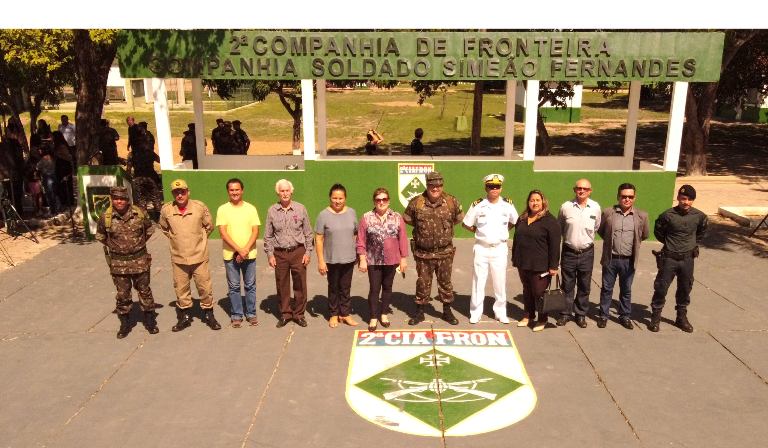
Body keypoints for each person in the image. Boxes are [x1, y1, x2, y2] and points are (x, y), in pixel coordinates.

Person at [159, 179, 222, 332]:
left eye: (182, 192)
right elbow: (164, 228)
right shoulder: (167, 210)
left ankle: (209, 315)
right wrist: (177, 240)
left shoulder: (199, 207)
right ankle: (185, 317)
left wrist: (198, 241)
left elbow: (209, 226)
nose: (180, 195)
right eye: (176, 192)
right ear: (173, 194)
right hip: (179, 257)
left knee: (205, 287)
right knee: (181, 289)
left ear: (188, 192)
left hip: (199, 256)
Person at [95, 186, 158, 339]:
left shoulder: (139, 214)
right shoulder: (106, 217)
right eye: (116, 198)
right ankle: (125, 323)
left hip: (140, 260)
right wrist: (118, 248)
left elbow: (149, 230)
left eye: (122, 198)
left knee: (144, 291)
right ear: (112, 199)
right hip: (119, 264)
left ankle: (150, 321)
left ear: (127, 199)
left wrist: (137, 246)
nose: (119, 201)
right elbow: (101, 236)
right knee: (123, 295)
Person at [403, 171, 464, 326]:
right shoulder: (416, 202)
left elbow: (457, 218)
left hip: (445, 253)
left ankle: (447, 312)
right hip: (424, 253)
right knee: (423, 283)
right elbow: (408, 219)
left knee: (445, 283)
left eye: (438, 185)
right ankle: (420, 312)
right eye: (432, 185)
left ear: (442, 185)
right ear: (427, 185)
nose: (435, 188)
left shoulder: (451, 201)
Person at [648, 184, 708, 333]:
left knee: (685, 288)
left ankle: (681, 318)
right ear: (678, 198)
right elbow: (659, 232)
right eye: (682, 199)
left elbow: (701, 233)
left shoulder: (699, 216)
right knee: (661, 288)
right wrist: (670, 244)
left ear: (693, 200)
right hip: (669, 258)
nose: (685, 202)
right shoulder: (667, 215)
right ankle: (655, 317)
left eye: (689, 199)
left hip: (688, 259)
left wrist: (690, 244)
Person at [462, 174, 518, 324]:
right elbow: (466, 223)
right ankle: (475, 312)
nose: (494, 189)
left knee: (500, 282)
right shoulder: (478, 205)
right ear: (486, 187)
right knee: (478, 281)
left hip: (499, 248)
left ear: (501, 188)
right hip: (481, 248)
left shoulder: (508, 204)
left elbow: (514, 221)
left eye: (497, 186)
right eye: (491, 186)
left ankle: (500, 312)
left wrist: (504, 231)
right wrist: (479, 232)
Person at [596, 183, 650, 329]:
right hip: (611, 259)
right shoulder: (608, 213)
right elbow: (601, 231)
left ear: (634, 197)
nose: (627, 199)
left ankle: (625, 316)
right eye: (624, 196)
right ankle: (603, 315)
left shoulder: (641, 216)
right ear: (618, 197)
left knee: (626, 290)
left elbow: (643, 235)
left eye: (630, 197)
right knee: (607, 289)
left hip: (629, 260)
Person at [264, 179, 314, 328]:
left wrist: (308, 253)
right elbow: (268, 235)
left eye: (287, 190)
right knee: (282, 285)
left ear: (291, 191)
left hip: (298, 251)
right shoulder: (272, 210)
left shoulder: (300, 208)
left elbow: (308, 233)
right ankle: (285, 314)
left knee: (300, 284)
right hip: (280, 254)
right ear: (278, 193)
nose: (284, 193)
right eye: (282, 191)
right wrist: (270, 254)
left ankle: (299, 314)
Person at [358, 187, 408, 332]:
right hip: (373, 260)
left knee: (387, 288)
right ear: (374, 201)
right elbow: (361, 240)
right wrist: (362, 258)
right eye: (378, 199)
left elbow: (403, 239)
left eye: (384, 199)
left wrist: (403, 259)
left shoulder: (397, 217)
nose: (381, 202)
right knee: (374, 289)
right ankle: (373, 317)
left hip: (392, 260)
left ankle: (384, 314)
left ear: (389, 200)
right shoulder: (366, 217)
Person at [512, 190, 561, 332]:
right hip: (523, 262)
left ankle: (542, 319)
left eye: (537, 200)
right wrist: (515, 257)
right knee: (527, 290)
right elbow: (517, 239)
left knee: (539, 293)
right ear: (528, 202)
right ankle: (528, 315)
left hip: (541, 265)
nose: (535, 203)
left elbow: (555, 245)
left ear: (543, 202)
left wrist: (553, 266)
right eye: (532, 200)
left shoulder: (550, 221)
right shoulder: (522, 218)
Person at [216, 178, 261, 328]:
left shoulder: (251, 209)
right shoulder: (222, 209)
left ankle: (251, 313)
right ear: (228, 192)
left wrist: (245, 249)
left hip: (249, 254)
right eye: (231, 190)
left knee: (250, 285)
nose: (234, 192)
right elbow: (223, 233)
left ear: (242, 190)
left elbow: (255, 231)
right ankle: (236, 315)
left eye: (237, 189)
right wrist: (238, 250)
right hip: (230, 255)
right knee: (234, 286)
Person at [556, 178, 601, 328]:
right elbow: (560, 228)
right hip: (569, 252)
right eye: (579, 188)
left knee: (584, 285)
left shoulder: (595, 208)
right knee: (567, 285)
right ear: (574, 189)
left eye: (585, 189)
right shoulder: (565, 207)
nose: (581, 191)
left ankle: (580, 314)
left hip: (587, 253)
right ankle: (565, 313)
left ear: (590, 191)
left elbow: (596, 227)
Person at [315, 184, 359, 328]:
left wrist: (358, 254)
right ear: (330, 198)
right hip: (331, 259)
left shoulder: (352, 212)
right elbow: (319, 239)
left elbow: (356, 234)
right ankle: (333, 314)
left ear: (345, 198)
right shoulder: (323, 215)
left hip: (349, 258)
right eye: (334, 198)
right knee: (333, 287)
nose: (337, 201)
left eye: (340, 198)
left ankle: (345, 314)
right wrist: (321, 261)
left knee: (345, 288)